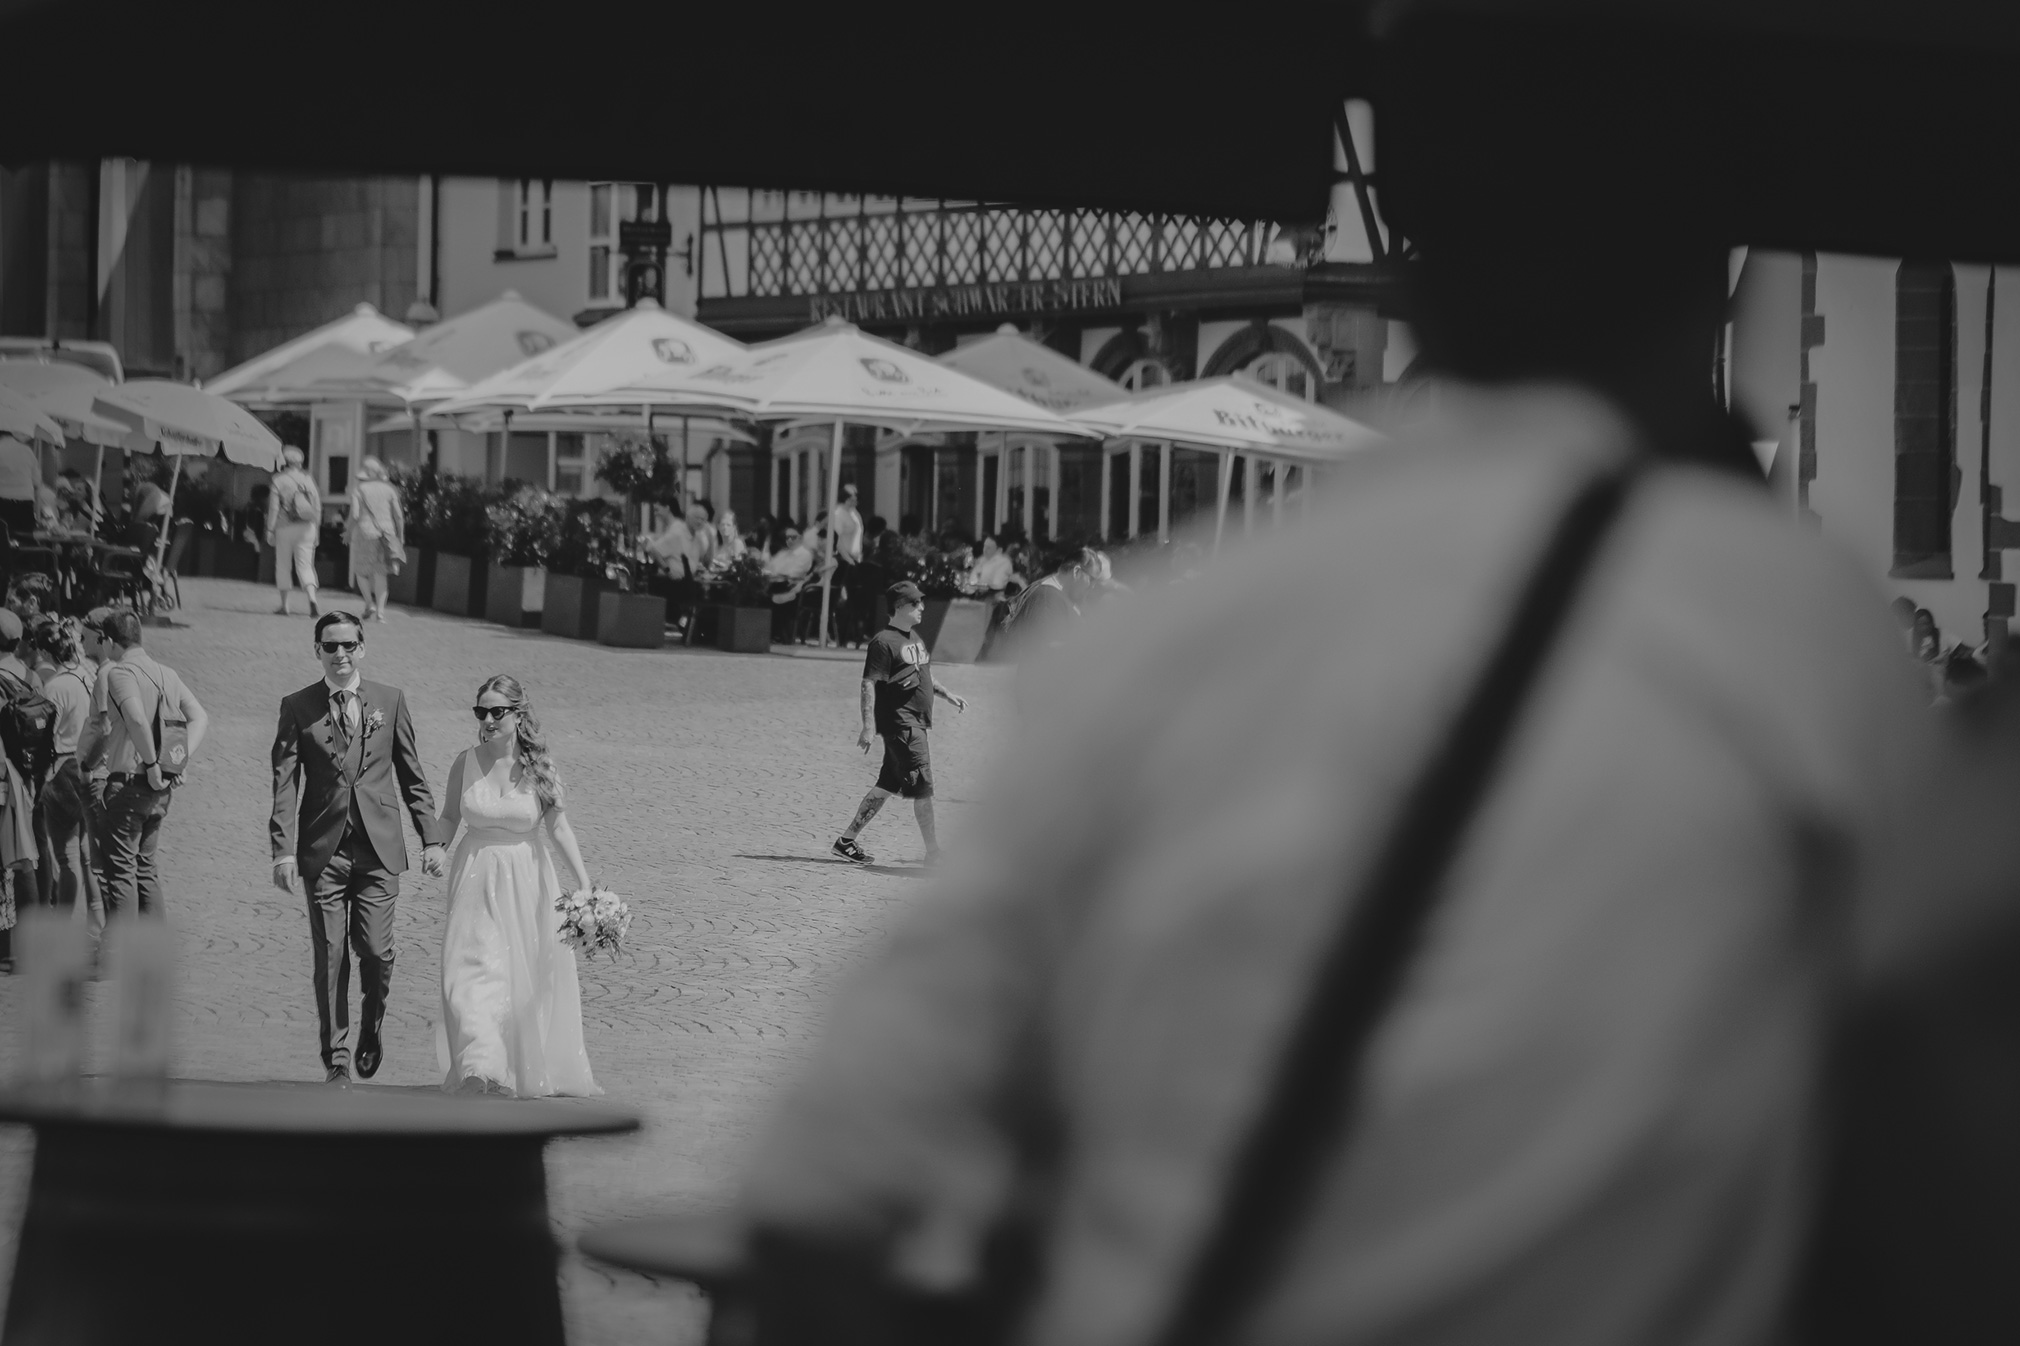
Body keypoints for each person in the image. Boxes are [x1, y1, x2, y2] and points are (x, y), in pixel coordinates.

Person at [270, 610, 447, 1085]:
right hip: (322, 851)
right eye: (331, 646)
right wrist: (283, 849)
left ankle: (372, 1024)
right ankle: (338, 1057)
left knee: (374, 950)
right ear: (318, 652)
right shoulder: (297, 705)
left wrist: (432, 837)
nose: (341, 654)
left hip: (378, 849)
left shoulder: (389, 700)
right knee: (330, 955)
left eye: (349, 645)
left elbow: (412, 774)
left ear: (362, 648)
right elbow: (285, 782)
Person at [433, 674, 601, 1098]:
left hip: (526, 881)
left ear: (517, 715)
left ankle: (501, 1070)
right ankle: (478, 1068)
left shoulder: (540, 767)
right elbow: (451, 815)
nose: (487, 720)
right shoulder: (464, 762)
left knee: (512, 979)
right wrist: (437, 846)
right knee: (467, 974)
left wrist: (584, 885)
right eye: (481, 712)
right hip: (474, 877)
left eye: (497, 712)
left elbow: (558, 827)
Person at [830, 581, 967, 867]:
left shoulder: (914, 638)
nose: (921, 608)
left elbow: (924, 675)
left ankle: (846, 841)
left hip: (914, 723)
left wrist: (948, 695)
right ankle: (934, 854)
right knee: (924, 788)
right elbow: (869, 683)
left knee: (885, 787)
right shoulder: (883, 642)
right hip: (902, 726)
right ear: (900, 607)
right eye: (916, 603)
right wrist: (868, 726)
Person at [98, 610, 208, 920]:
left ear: (109, 641)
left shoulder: (119, 673)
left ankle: (121, 954)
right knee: (145, 869)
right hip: (159, 793)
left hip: (130, 783)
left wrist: (151, 763)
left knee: (121, 872)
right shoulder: (167, 674)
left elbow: (135, 718)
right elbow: (200, 717)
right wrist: (176, 760)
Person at [30, 617, 93, 917]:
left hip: (61, 768)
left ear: (46, 651)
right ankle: (92, 919)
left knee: (65, 856)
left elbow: (43, 737)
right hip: (85, 765)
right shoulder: (86, 674)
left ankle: (62, 923)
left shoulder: (54, 687)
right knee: (82, 853)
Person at [345, 456, 404, 623]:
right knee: (381, 573)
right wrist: (400, 537)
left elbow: (355, 515)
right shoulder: (390, 490)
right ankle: (380, 613)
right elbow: (398, 516)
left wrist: (348, 531)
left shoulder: (359, 490)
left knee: (361, 572)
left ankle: (369, 603)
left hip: (365, 532)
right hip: (387, 533)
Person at [266, 445, 322, 618]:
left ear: (284, 461)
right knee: (305, 565)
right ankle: (312, 600)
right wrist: (317, 528)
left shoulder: (278, 480)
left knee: (283, 565)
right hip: (307, 526)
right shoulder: (308, 479)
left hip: (285, 527)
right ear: (300, 462)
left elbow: (274, 508)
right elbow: (317, 507)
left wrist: (270, 529)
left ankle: (285, 606)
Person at [0, 433, 40, 536]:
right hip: (25, 503)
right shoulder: (27, 451)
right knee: (25, 542)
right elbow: (36, 481)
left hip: (3, 503)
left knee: (4, 543)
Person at [832, 483, 865, 567]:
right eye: (853, 496)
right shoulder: (838, 514)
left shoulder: (854, 513)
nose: (856, 498)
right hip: (844, 559)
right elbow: (836, 539)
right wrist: (848, 559)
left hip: (856, 557)